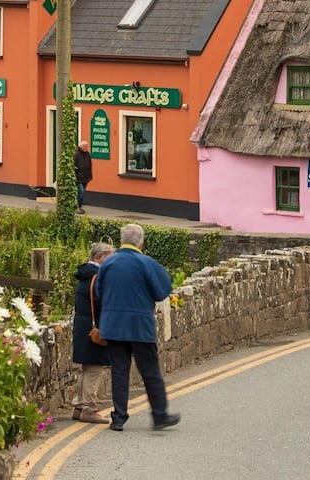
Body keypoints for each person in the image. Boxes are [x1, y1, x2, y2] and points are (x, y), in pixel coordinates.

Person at [92, 223, 181, 432]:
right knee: (150, 371)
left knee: (119, 371)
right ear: (141, 242)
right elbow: (162, 291)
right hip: (140, 326)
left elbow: (99, 292)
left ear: (121, 240)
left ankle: (119, 418)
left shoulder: (108, 263)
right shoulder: (146, 263)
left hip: (113, 326)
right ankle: (160, 415)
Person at [69, 242, 116, 424]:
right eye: (109, 258)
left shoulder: (85, 275)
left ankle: (79, 406)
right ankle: (89, 408)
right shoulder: (97, 277)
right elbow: (103, 303)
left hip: (83, 324)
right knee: (95, 368)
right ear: (98, 258)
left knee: (87, 367)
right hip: (94, 326)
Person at [75, 141, 93, 215]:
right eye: (84, 146)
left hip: (86, 177)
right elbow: (74, 165)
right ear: (80, 146)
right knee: (81, 192)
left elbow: (89, 166)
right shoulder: (76, 154)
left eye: (86, 146)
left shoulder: (88, 154)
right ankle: (78, 207)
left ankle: (79, 206)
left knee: (82, 192)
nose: (85, 148)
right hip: (78, 177)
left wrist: (89, 176)